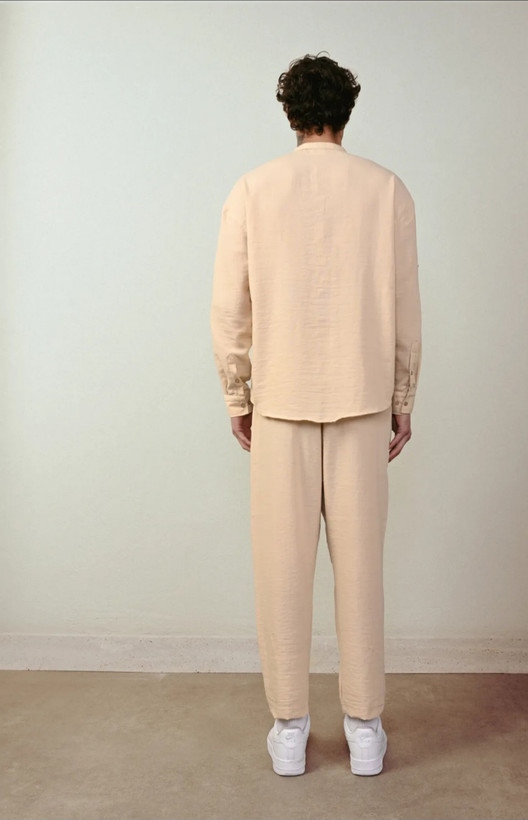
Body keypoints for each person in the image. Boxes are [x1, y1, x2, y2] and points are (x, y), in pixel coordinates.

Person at [210, 52, 422, 777]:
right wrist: (402, 400)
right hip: (362, 402)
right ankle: (364, 728)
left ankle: (290, 728)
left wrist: (237, 394)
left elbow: (230, 309)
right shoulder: (386, 190)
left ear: (291, 114)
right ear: (346, 113)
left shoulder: (253, 189)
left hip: (281, 402)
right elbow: (405, 309)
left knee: (281, 571)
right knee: (361, 571)